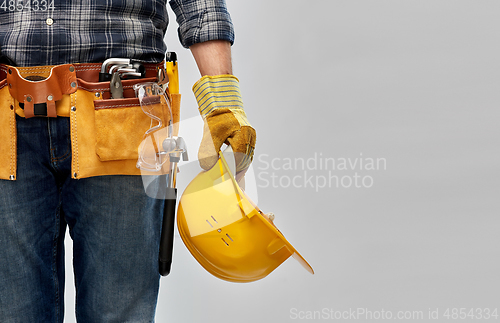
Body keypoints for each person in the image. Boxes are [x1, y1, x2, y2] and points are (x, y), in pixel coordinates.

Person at [0, 0, 255, 322]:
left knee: (118, 313)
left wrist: (222, 106)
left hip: (125, 119)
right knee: (12, 313)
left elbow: (201, 6)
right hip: (5, 121)